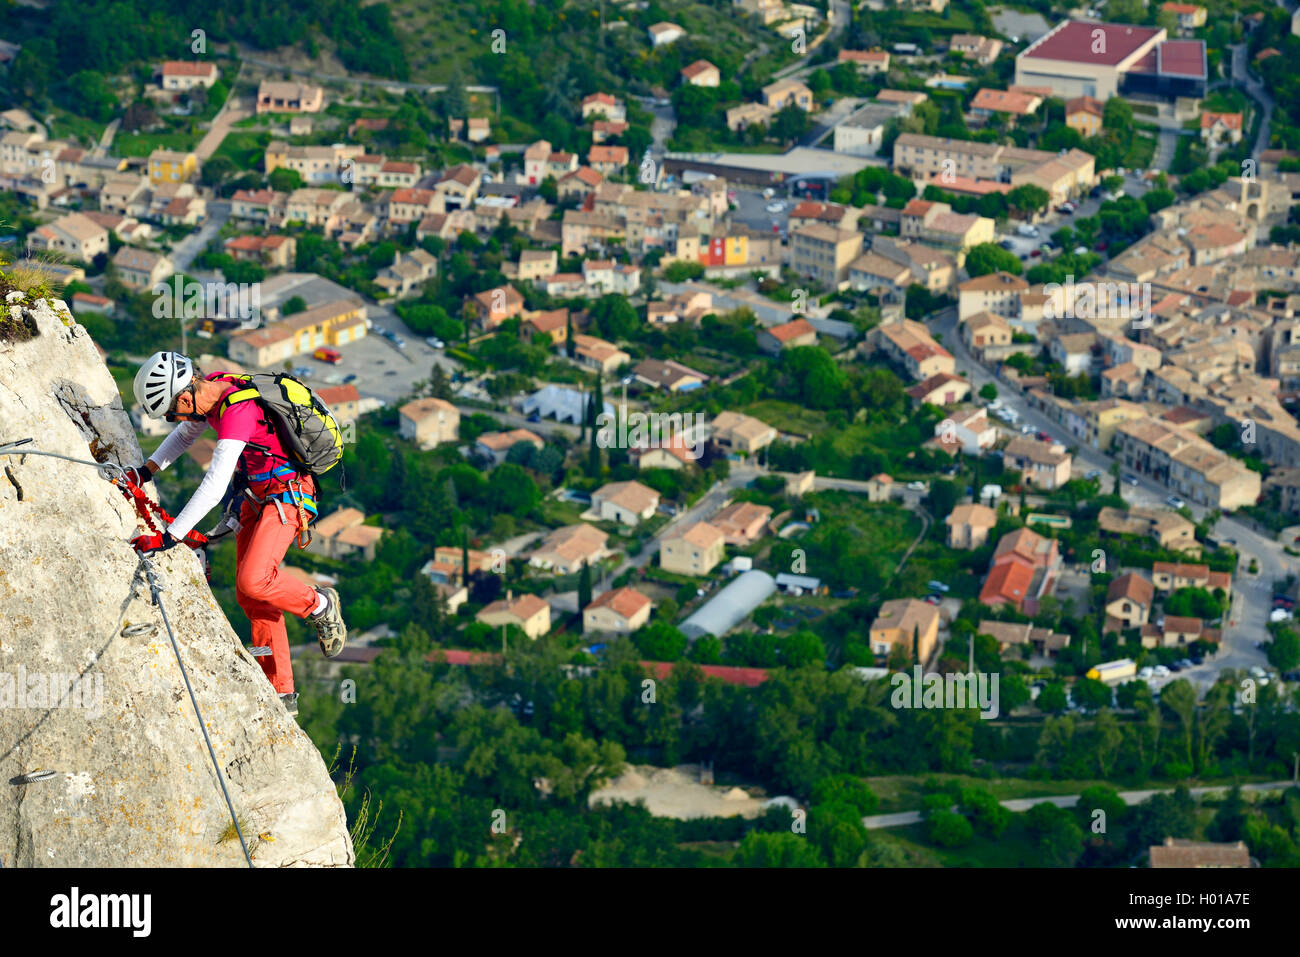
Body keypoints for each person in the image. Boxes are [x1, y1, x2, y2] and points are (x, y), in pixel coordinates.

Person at [128, 351, 346, 716]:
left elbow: (214, 485)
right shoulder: (215, 390)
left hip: (288, 498)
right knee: (251, 598)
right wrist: (146, 471)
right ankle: (280, 691)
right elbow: (185, 437)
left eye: (172, 412)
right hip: (256, 496)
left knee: (254, 580)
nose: (174, 419)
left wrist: (171, 535)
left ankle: (321, 604)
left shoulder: (237, 412)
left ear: (185, 397)